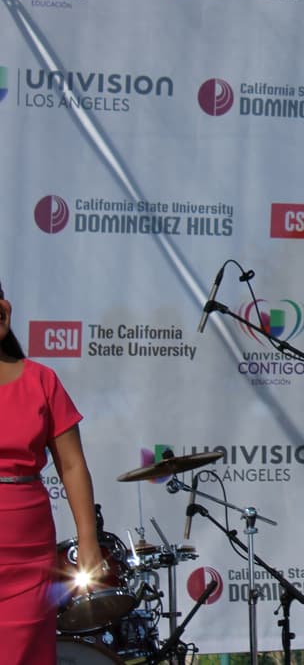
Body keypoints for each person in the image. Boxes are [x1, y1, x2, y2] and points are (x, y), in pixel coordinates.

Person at [0, 279, 105, 663]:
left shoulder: (41, 380)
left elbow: (73, 465)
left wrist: (88, 541)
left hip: (27, 551)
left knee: (23, 651)